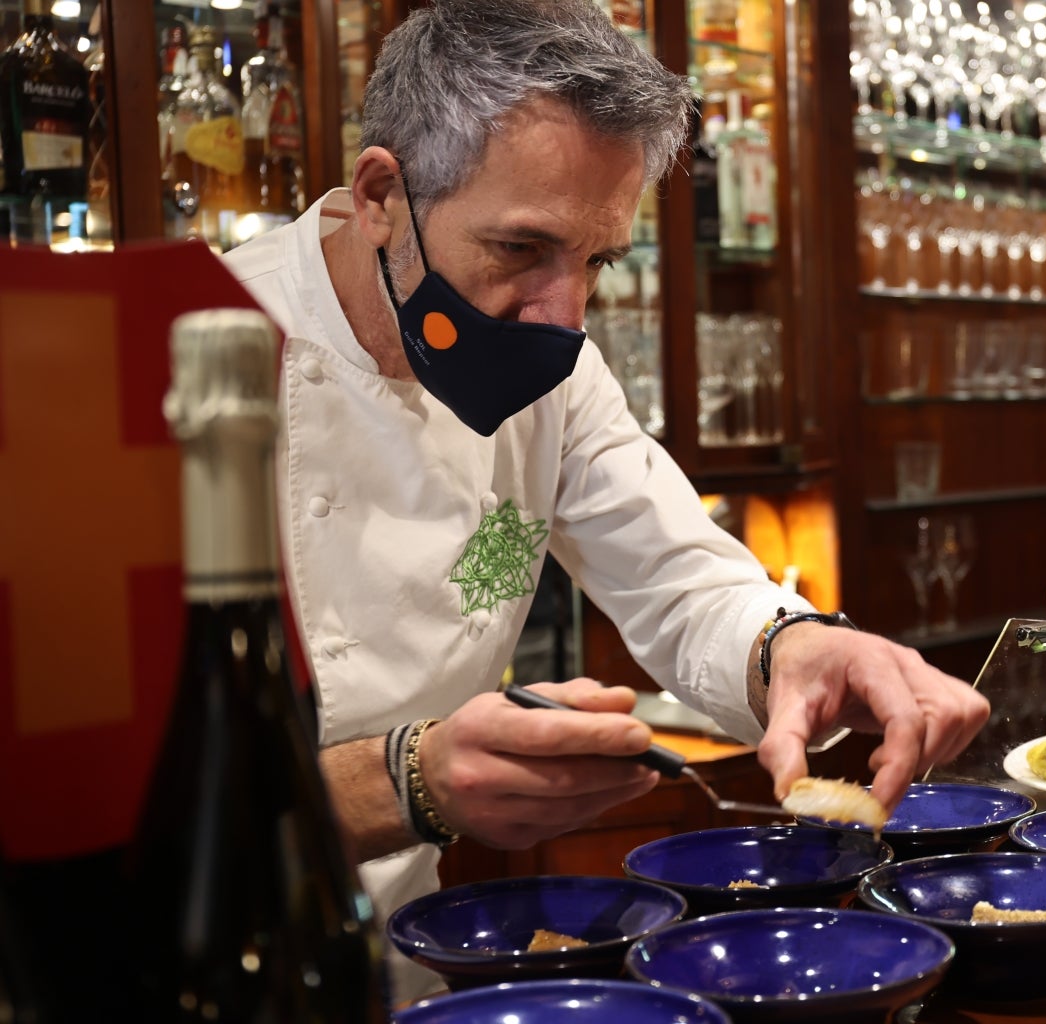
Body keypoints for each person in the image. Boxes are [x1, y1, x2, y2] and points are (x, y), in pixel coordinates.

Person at [221, 0, 989, 999]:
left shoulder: (555, 376)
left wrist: (798, 645)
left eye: (597, 260)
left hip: (401, 969)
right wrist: (410, 779)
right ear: (380, 194)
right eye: (520, 250)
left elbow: (682, 581)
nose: (564, 314)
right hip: (180, 956)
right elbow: (115, 802)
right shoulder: (187, 349)